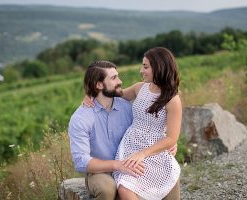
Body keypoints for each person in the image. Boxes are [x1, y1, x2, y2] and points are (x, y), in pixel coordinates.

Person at [68, 60, 177, 200]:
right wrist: (117, 165)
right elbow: (81, 161)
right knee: (107, 188)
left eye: (118, 76)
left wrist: (169, 142)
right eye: (113, 78)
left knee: (169, 172)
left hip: (131, 164)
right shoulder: (81, 118)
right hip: (101, 171)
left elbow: (148, 128)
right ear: (99, 85)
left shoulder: (127, 107)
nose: (120, 81)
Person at [113, 47, 182, 200]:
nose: (141, 70)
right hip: (131, 147)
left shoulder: (172, 100)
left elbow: (171, 139)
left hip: (153, 153)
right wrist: (91, 93)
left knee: (127, 188)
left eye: (145, 66)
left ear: (159, 67)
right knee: (125, 188)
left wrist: (142, 154)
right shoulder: (140, 88)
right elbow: (117, 94)